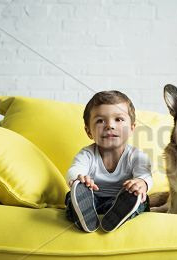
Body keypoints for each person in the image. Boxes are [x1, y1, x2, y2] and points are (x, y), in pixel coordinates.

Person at [65, 90, 152, 232]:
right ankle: (84, 215)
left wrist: (142, 183)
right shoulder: (87, 154)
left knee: (140, 198)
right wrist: (78, 179)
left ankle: (118, 215)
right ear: (89, 131)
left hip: (121, 200)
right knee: (71, 197)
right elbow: (74, 170)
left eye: (118, 119)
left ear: (131, 128)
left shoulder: (136, 156)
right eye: (100, 121)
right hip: (92, 200)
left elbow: (145, 174)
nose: (109, 126)